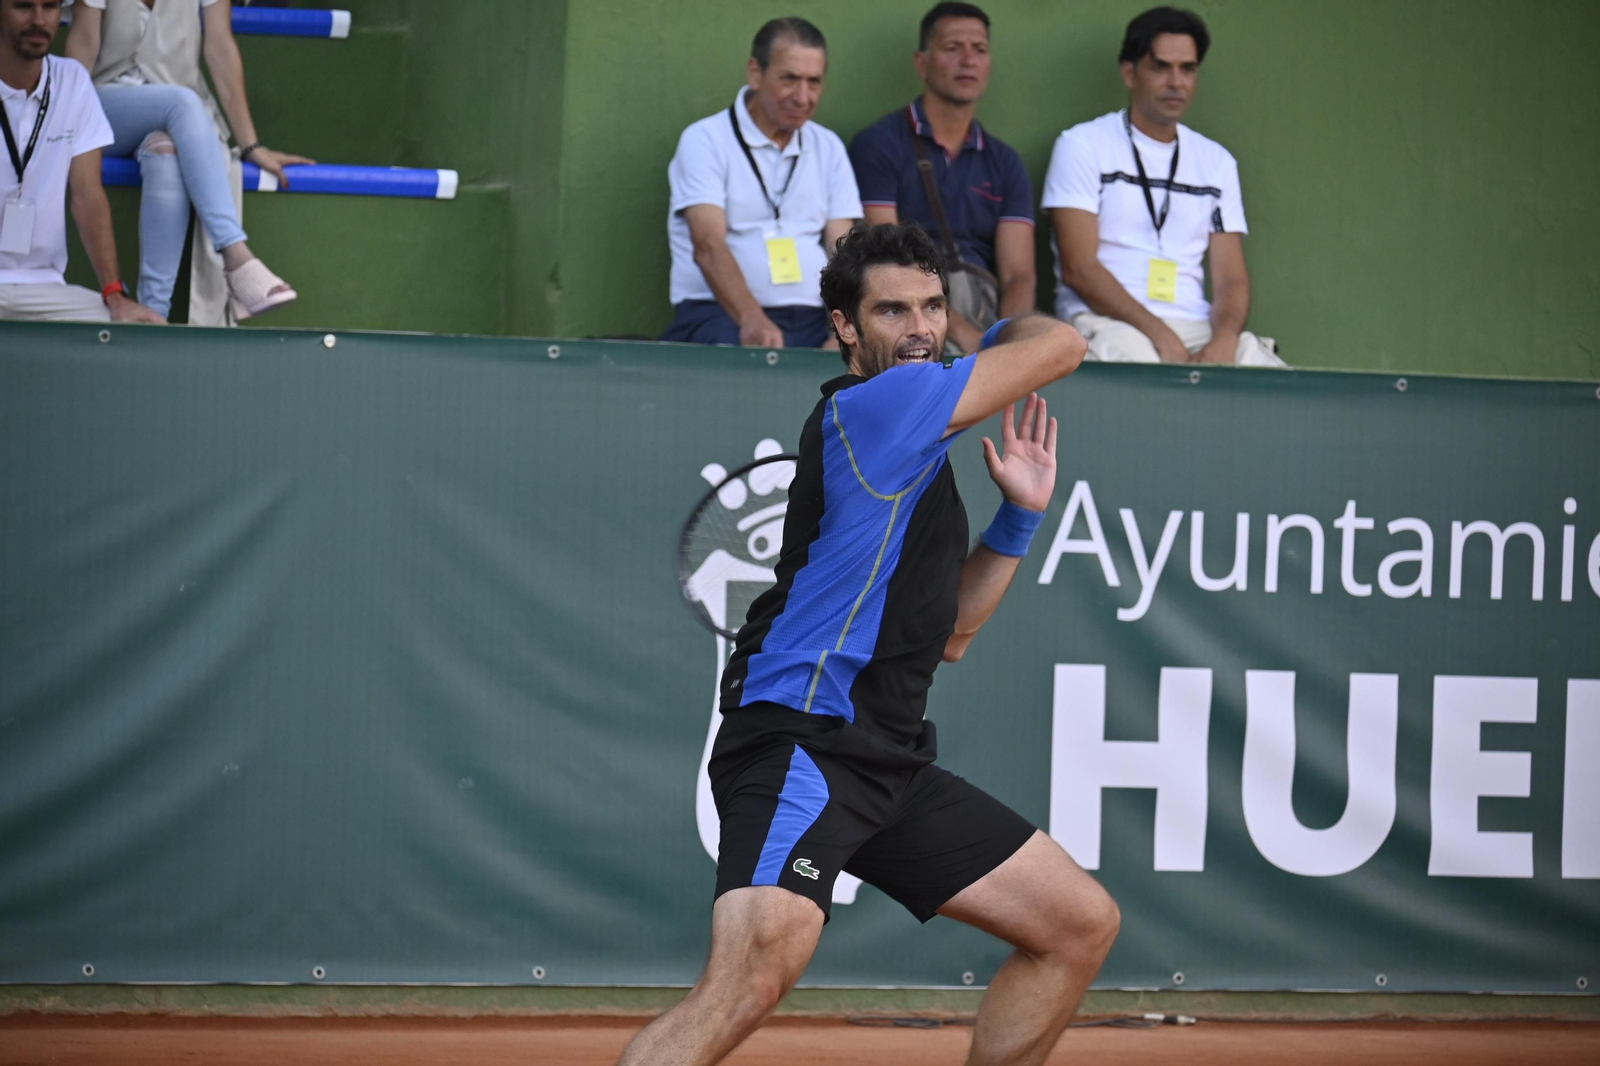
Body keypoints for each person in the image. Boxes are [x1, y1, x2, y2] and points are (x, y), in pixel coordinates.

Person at [617, 223, 1118, 1066]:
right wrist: (993, 333)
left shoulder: (919, 454)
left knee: (1074, 925)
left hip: (885, 756)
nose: (920, 326)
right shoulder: (879, 406)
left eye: (933, 306)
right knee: (752, 976)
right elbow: (1062, 344)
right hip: (802, 742)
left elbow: (954, 635)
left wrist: (1019, 519)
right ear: (846, 329)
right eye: (893, 311)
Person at [1042, 6, 1284, 366]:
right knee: (1138, 366)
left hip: (1195, 326)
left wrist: (1225, 340)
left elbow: (1231, 279)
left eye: (1187, 69)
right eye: (1161, 67)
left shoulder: (1216, 162)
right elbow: (1079, 268)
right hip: (1107, 322)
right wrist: (1159, 335)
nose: (1177, 82)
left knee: (1263, 369)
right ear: (1129, 73)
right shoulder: (1082, 145)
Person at [65, 0, 309, 323]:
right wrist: (63, 121)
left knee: (166, 152)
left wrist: (251, 145)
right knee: (181, 102)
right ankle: (235, 254)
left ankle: (154, 315)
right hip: (106, 105)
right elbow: (84, 41)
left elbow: (219, 46)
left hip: (177, 119)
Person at [662, 17, 862, 349]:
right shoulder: (705, 140)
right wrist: (751, 319)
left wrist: (841, 329)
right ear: (755, 73)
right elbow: (708, 246)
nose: (803, 96)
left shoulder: (828, 147)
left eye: (814, 82)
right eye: (790, 79)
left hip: (816, 317)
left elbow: (843, 251)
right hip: (720, 314)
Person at [850, 2, 1035, 355]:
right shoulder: (880, 144)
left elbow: (1019, 276)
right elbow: (882, 253)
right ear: (922, 63)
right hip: (906, 306)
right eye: (953, 48)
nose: (968, 60)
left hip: (984, 313)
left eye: (979, 50)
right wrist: (958, 330)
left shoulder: (1004, 161)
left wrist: (1005, 342)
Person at [0, 0, 160, 323]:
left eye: (50, 6)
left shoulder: (72, 81)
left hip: (46, 289)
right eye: (23, 7)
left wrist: (115, 295)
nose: (39, 20)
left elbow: (87, 195)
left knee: (140, 329)